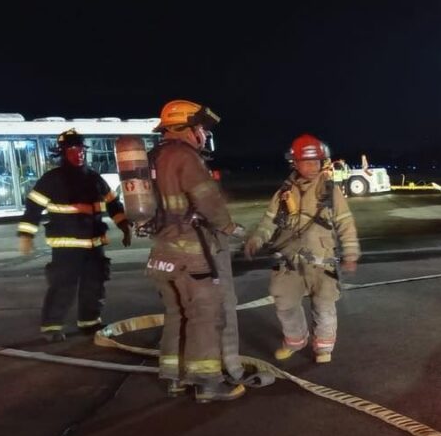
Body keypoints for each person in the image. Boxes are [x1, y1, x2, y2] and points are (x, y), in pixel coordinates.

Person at [145, 99, 245, 402]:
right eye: (200, 126)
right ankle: (208, 383)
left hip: (161, 254)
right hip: (191, 254)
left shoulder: (152, 156)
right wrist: (229, 227)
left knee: (177, 315)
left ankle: (175, 378)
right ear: (187, 128)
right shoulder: (185, 156)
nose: (202, 133)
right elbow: (207, 200)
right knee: (205, 316)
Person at [243, 134, 360, 364]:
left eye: (316, 161)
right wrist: (257, 239)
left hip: (322, 260)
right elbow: (269, 222)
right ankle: (295, 341)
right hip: (289, 261)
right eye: (306, 162)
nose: (312, 167)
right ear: (294, 163)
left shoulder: (330, 191)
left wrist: (351, 253)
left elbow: (345, 223)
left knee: (324, 305)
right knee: (284, 302)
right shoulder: (284, 193)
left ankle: (324, 347)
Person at [18, 129, 131, 342]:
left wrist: (124, 226)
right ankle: (51, 326)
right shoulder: (52, 179)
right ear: (62, 152)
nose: (78, 153)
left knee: (94, 284)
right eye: (72, 149)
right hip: (66, 247)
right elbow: (32, 208)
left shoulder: (94, 178)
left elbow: (113, 203)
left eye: (81, 148)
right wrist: (26, 235)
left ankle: (90, 322)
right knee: (63, 286)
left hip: (94, 245)